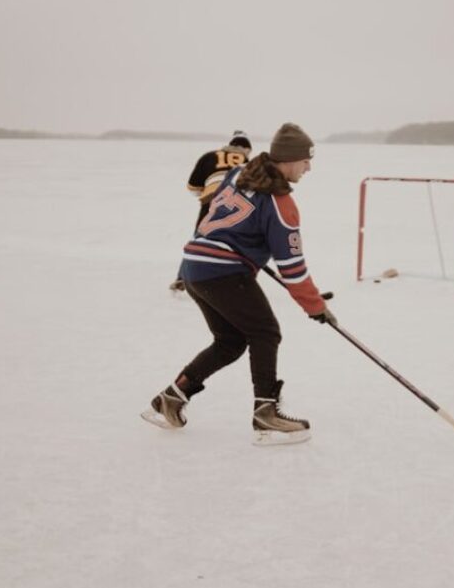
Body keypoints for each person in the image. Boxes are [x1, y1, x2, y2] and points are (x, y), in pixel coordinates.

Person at [142, 123, 335, 445]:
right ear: (288, 160)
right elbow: (293, 268)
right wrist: (316, 307)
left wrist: (246, 250)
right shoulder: (281, 203)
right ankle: (266, 416)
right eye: (305, 161)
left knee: (229, 342)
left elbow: (213, 218)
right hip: (223, 272)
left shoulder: (240, 175)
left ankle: (170, 400)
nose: (309, 168)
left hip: (194, 267)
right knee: (265, 332)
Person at [169, 130, 254, 292]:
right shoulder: (248, 162)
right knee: (235, 241)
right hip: (238, 204)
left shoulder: (208, 157)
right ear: (246, 149)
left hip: (211, 200)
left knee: (199, 239)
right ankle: (235, 278)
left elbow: (193, 188)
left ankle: (182, 278)